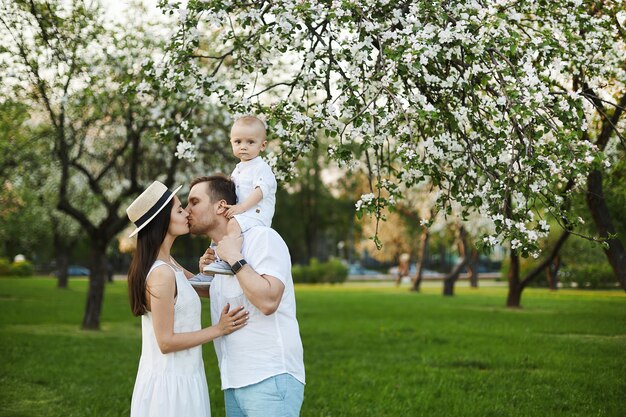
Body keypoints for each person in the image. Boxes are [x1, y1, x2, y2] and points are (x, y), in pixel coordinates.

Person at [126, 180, 249, 417]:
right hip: (170, 388)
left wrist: (211, 268)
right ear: (163, 220)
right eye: (180, 209)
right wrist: (219, 329)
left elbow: (201, 288)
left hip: (187, 375)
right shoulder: (161, 273)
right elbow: (166, 342)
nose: (187, 213)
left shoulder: (169, 264)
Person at [186, 175, 305, 417]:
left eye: (194, 202)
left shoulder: (263, 238)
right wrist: (162, 259)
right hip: (233, 381)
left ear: (221, 206)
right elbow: (211, 291)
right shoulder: (218, 254)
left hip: (269, 377)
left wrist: (234, 258)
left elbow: (269, 300)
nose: (187, 211)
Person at [200, 115, 277, 276]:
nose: (243, 146)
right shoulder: (238, 169)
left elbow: (261, 191)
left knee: (233, 225)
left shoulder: (261, 168)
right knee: (218, 226)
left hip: (257, 214)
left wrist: (241, 208)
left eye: (250, 142)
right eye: (238, 142)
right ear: (231, 143)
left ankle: (228, 260)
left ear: (262, 146)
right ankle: (213, 263)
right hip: (242, 214)